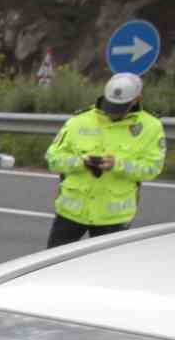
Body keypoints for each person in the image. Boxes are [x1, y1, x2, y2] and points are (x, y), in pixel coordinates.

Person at [44, 72, 167, 248]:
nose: (113, 112)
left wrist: (117, 165)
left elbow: (152, 169)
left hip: (113, 218)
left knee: (106, 266)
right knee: (55, 263)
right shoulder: (79, 121)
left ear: (137, 99)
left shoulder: (151, 127)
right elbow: (52, 159)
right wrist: (81, 162)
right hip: (71, 212)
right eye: (111, 105)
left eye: (120, 108)